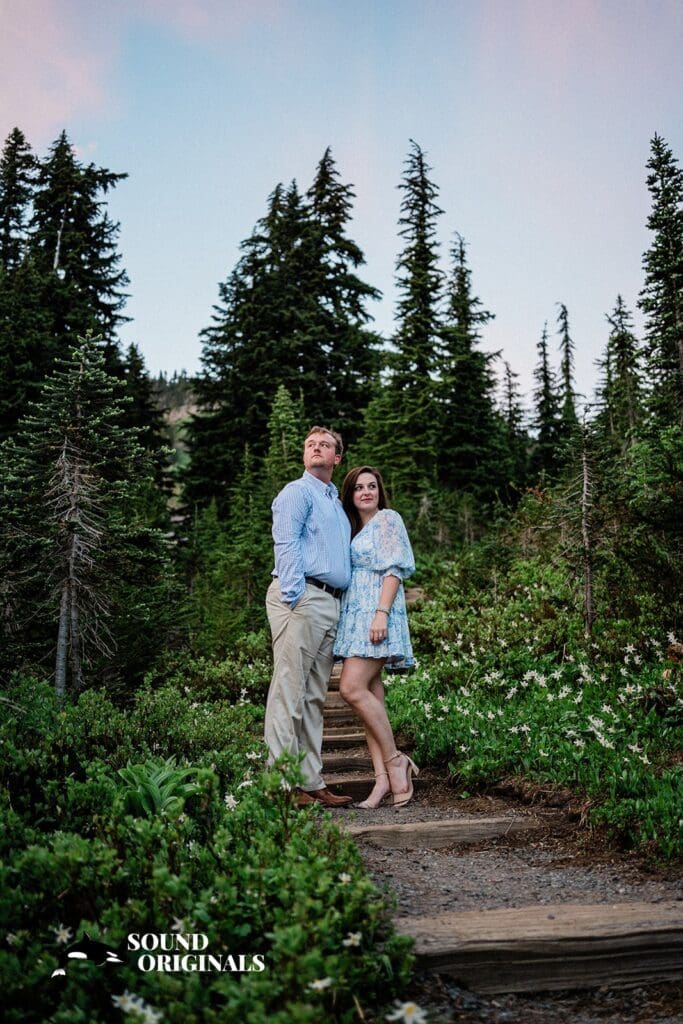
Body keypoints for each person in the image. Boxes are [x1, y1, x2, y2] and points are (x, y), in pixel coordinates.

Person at [264, 426, 354, 808]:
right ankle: (282, 785)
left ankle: (311, 781)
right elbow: (284, 543)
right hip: (302, 598)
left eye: (325, 445)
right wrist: (295, 597)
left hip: (329, 603)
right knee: (289, 691)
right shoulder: (296, 492)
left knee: (314, 695)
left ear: (337, 458)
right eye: (310, 445)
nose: (316, 448)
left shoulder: (333, 501)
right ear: (305, 456)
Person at [333, 466, 419, 808]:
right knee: (370, 696)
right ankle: (382, 780)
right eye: (358, 487)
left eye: (371, 486)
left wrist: (381, 613)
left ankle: (397, 761)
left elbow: (394, 569)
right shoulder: (355, 527)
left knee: (350, 688)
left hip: (376, 614)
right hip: (356, 616)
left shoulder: (387, 519)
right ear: (350, 495)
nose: (366, 492)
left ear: (379, 491)